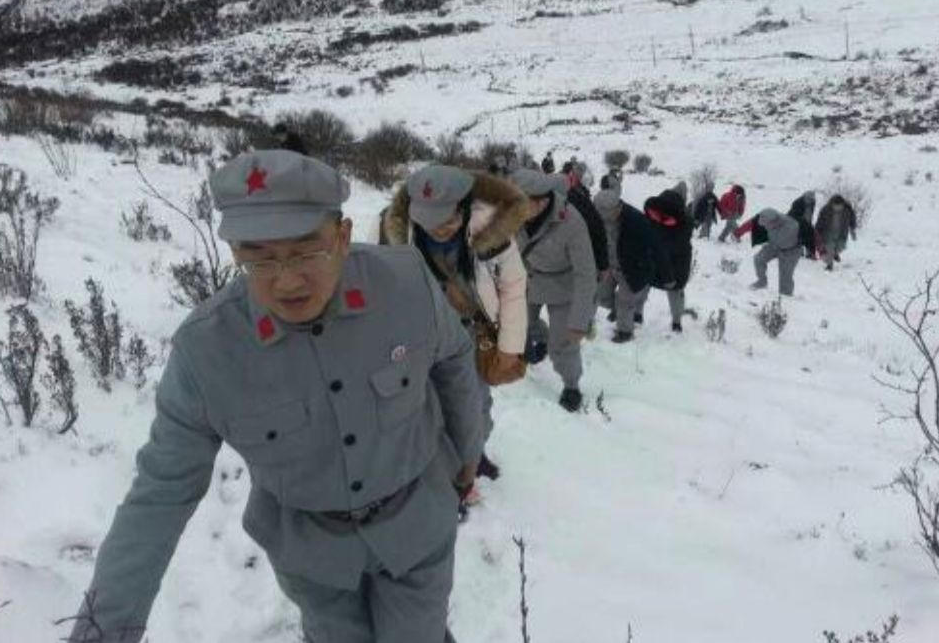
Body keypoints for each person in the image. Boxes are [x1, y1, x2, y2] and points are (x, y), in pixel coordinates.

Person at [69, 150, 483, 643]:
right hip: (312, 554)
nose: (286, 280)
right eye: (258, 256)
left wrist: (466, 455)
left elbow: (456, 358)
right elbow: (159, 493)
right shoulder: (206, 352)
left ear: (343, 236)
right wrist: (102, 630)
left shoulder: (407, 284)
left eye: (307, 249)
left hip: (415, 524)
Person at [382, 164, 527, 492]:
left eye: (449, 221)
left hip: (472, 335)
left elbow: (513, 288)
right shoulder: (395, 232)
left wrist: (509, 347)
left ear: (466, 208)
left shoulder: (493, 231)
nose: (440, 230)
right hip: (420, 338)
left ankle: (473, 453)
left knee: (476, 404)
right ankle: (446, 472)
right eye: (429, 223)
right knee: (427, 405)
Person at [510, 168, 598, 413]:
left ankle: (571, 385)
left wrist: (579, 320)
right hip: (531, 277)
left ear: (542, 201)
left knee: (563, 343)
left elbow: (585, 273)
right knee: (519, 324)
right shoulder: (515, 214)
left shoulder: (572, 222)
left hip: (564, 286)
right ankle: (540, 339)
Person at [593, 188, 672, 343]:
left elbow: (657, 247)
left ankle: (625, 332)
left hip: (633, 269)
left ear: (614, 209)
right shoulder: (600, 219)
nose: (600, 216)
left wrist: (667, 276)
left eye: (602, 213)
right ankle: (619, 311)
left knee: (625, 302)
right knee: (601, 297)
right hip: (610, 265)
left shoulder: (637, 221)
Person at [643, 185, 696, 332]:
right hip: (676, 265)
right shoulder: (685, 220)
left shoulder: (655, 211)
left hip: (655, 260)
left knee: (643, 286)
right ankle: (676, 322)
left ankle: (637, 314)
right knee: (675, 292)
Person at [734, 207, 803, 296]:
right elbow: (751, 224)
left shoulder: (791, 226)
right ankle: (762, 282)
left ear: (773, 222)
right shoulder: (767, 218)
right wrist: (738, 233)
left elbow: (780, 241)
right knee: (758, 259)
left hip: (791, 251)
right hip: (774, 245)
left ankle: (785, 297)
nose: (764, 226)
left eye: (766, 225)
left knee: (785, 275)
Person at [815, 194, 858, 271]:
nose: (837, 208)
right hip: (828, 233)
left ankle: (835, 254)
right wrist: (817, 231)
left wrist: (853, 230)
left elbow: (852, 220)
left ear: (843, 204)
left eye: (839, 206)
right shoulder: (825, 210)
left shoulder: (847, 210)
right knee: (829, 248)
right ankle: (829, 264)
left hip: (841, 233)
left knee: (840, 247)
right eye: (836, 206)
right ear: (832, 204)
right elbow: (820, 221)